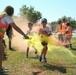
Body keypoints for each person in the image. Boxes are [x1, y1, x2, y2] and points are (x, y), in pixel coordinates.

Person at [0, 6, 29, 73]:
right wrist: (24, 35)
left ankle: (0, 68)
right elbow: (15, 27)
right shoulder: (7, 17)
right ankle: (0, 69)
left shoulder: (1, 15)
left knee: (2, 51)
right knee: (1, 52)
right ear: (11, 12)